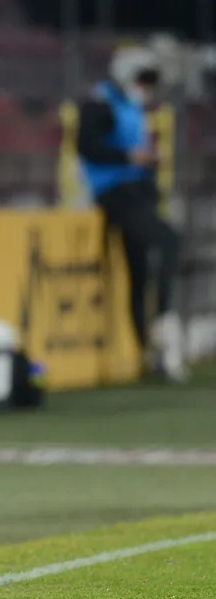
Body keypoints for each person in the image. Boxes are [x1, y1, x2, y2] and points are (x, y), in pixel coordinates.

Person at [76, 46, 186, 382]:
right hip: (115, 195)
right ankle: (159, 325)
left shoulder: (132, 107)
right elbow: (88, 147)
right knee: (165, 243)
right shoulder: (100, 103)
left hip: (139, 193)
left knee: (141, 269)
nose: (145, 89)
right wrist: (129, 157)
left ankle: (151, 349)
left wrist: (149, 164)